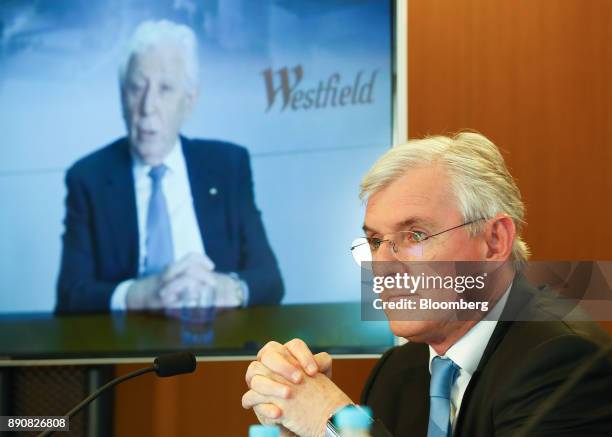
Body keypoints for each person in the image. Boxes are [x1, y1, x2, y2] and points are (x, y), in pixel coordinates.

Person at [241, 132, 612, 436]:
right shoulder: (397, 371)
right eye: (374, 242)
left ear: (495, 241)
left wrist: (335, 423)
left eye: (415, 235)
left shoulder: (565, 360)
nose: (382, 267)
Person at [56, 20, 283, 313]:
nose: (148, 106)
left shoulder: (228, 165)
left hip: (216, 340)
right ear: (122, 97)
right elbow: (70, 295)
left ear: (189, 102)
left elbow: (270, 281)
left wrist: (227, 288)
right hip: (128, 348)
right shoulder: (88, 178)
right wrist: (138, 295)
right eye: (137, 88)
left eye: (165, 89)